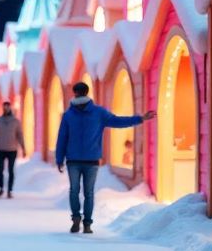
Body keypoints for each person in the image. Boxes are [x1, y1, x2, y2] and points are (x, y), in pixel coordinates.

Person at [56, 81, 155, 234]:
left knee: (74, 190)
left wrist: (59, 159)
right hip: (90, 160)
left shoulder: (71, 115)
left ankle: (77, 220)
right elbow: (118, 121)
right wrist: (140, 119)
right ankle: (86, 224)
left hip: (75, 160)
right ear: (87, 93)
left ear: (75, 93)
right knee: (88, 192)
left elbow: (62, 138)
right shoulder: (97, 112)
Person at [0, 101, 26, 199]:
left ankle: (9, 190)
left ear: (10, 108)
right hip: (0, 148)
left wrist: (23, 147)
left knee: (11, 170)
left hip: (12, 149)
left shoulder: (16, 121)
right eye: (4, 107)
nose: (6, 109)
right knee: (0, 169)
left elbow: (20, 135)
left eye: (7, 107)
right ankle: (1, 188)